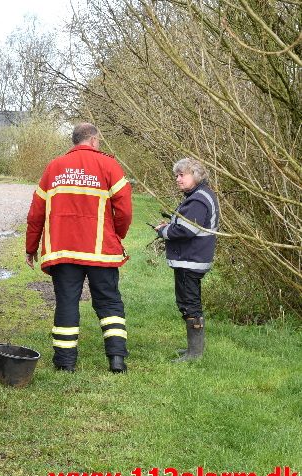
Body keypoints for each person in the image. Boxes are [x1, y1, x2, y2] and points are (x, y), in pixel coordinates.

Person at [25, 123, 133, 373]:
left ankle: (65, 364)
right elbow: (125, 209)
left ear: (75, 141)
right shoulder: (108, 165)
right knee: (109, 304)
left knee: (66, 303)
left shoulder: (54, 167)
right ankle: (117, 360)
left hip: (63, 251)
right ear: (94, 140)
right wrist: (117, 234)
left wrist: (31, 247)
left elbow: (36, 213)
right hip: (100, 251)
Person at [155, 158, 219, 362]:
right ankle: (193, 350)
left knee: (189, 303)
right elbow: (187, 223)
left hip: (190, 259)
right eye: (176, 175)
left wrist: (164, 231)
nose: (178, 179)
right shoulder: (199, 195)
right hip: (192, 258)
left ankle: (194, 354)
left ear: (196, 175)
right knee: (188, 302)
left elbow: (187, 229)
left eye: (182, 175)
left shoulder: (198, 199)